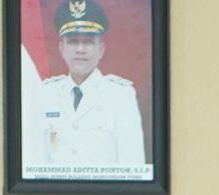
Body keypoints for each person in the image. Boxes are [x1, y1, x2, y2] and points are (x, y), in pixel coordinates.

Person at [34, 0, 146, 169]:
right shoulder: (45, 95)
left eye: (88, 42)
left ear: (101, 50)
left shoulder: (121, 96)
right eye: (73, 41)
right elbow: (35, 162)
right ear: (62, 48)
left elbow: (133, 167)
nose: (80, 49)